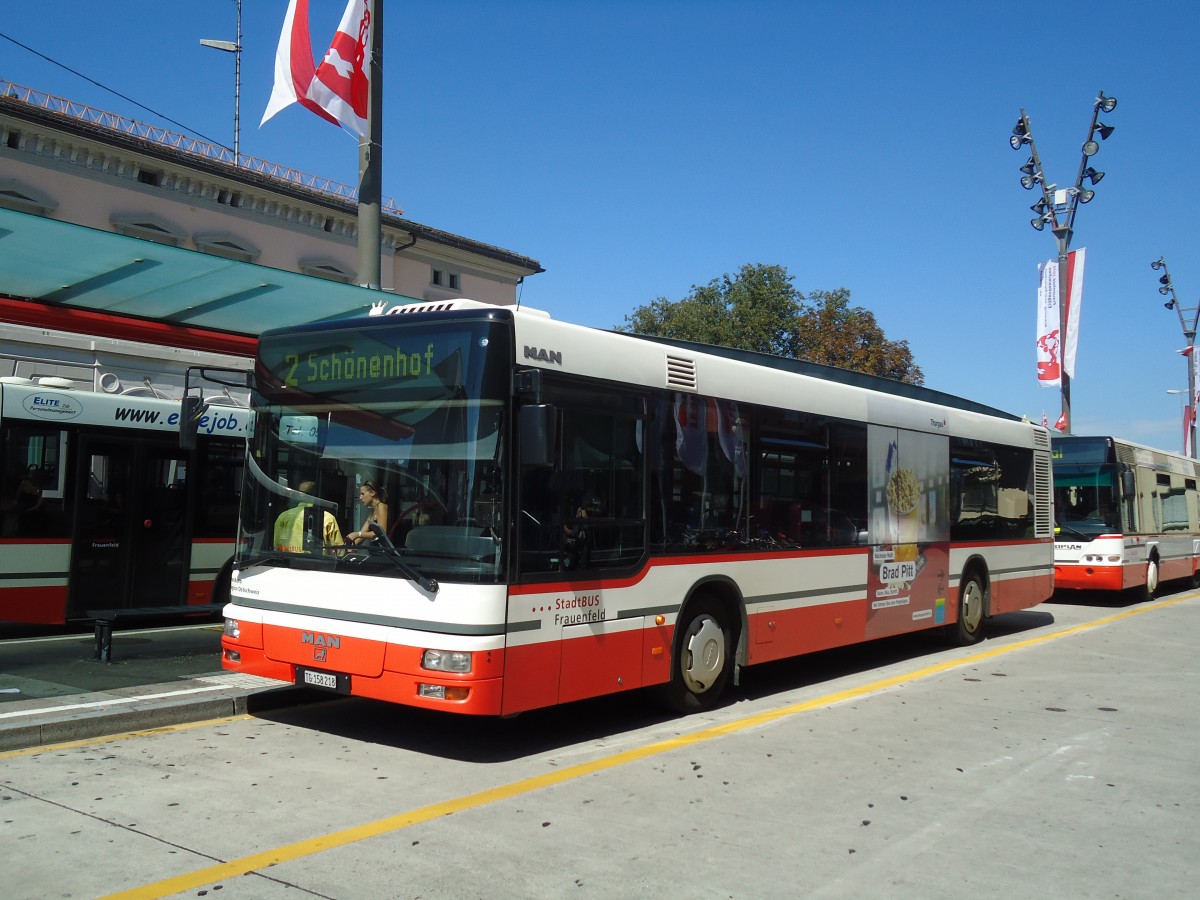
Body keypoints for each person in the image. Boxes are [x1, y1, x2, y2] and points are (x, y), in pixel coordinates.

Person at [274, 481, 344, 553]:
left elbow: (277, 547)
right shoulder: (328, 518)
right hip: (319, 560)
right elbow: (339, 551)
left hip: (288, 560)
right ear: (315, 494)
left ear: (298, 494)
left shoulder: (284, 517)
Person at [348, 480, 389, 544]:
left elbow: (381, 533)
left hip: (384, 549)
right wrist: (349, 546)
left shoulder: (381, 507)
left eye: (362, 494)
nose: (360, 497)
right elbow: (362, 533)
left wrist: (357, 534)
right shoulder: (373, 511)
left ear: (372, 493)